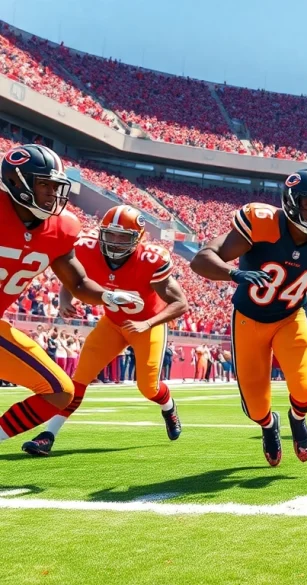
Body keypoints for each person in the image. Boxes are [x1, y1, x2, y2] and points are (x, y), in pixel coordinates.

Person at [190, 168, 307, 466]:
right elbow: (202, 258)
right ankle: (269, 426)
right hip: (248, 319)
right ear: (293, 200)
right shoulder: (261, 223)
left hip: (290, 318)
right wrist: (234, 273)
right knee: (255, 408)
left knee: (305, 390)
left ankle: (298, 419)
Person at [0, 144, 141, 449]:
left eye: (56, 186)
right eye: (44, 184)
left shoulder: (62, 227)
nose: (53, 193)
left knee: (60, 392)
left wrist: (108, 296)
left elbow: (77, 283)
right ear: (17, 182)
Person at [22, 205, 189, 456]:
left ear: (139, 238)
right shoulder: (87, 248)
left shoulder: (151, 259)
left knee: (148, 388)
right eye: (110, 234)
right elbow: (72, 278)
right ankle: (48, 435)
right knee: (78, 380)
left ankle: (168, 407)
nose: (115, 241)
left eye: (123, 236)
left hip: (147, 325)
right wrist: (65, 299)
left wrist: (147, 323)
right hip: (112, 323)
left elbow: (180, 303)